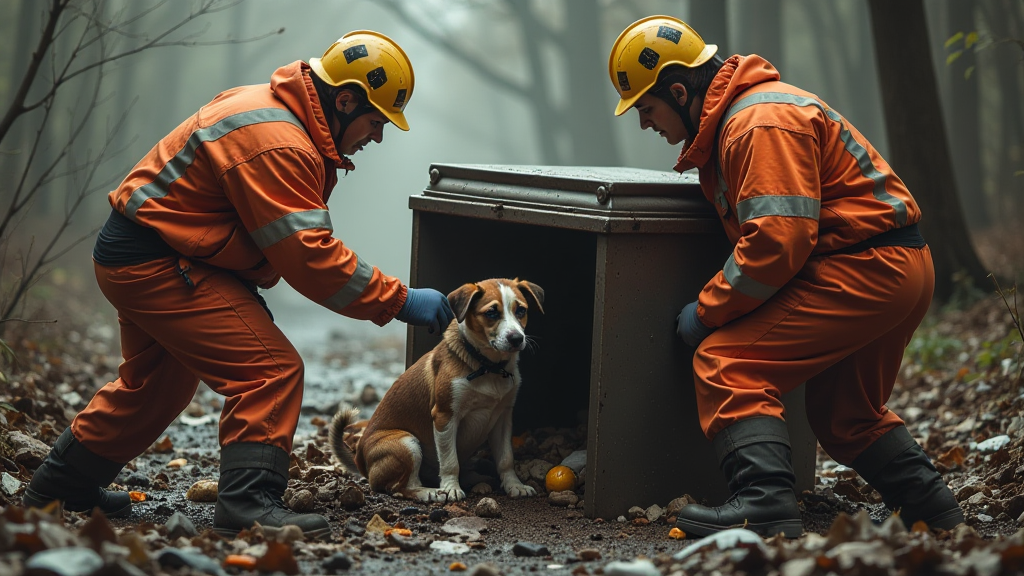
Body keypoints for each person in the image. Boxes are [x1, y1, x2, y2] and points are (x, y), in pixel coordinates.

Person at [23, 31, 455, 539]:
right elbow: (309, 257)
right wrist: (400, 300)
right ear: (344, 100)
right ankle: (249, 502)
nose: (377, 136)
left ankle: (60, 485)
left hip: (143, 253)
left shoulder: (270, 110)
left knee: (157, 388)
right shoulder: (280, 141)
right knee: (270, 372)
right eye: (376, 121)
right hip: (159, 261)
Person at [608, 16, 964, 538]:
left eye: (646, 108)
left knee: (727, 361)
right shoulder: (755, 114)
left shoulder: (756, 123)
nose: (645, 124)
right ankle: (936, 513)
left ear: (680, 91)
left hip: (863, 269)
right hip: (895, 266)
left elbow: (777, 242)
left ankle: (764, 506)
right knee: (848, 413)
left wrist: (707, 311)